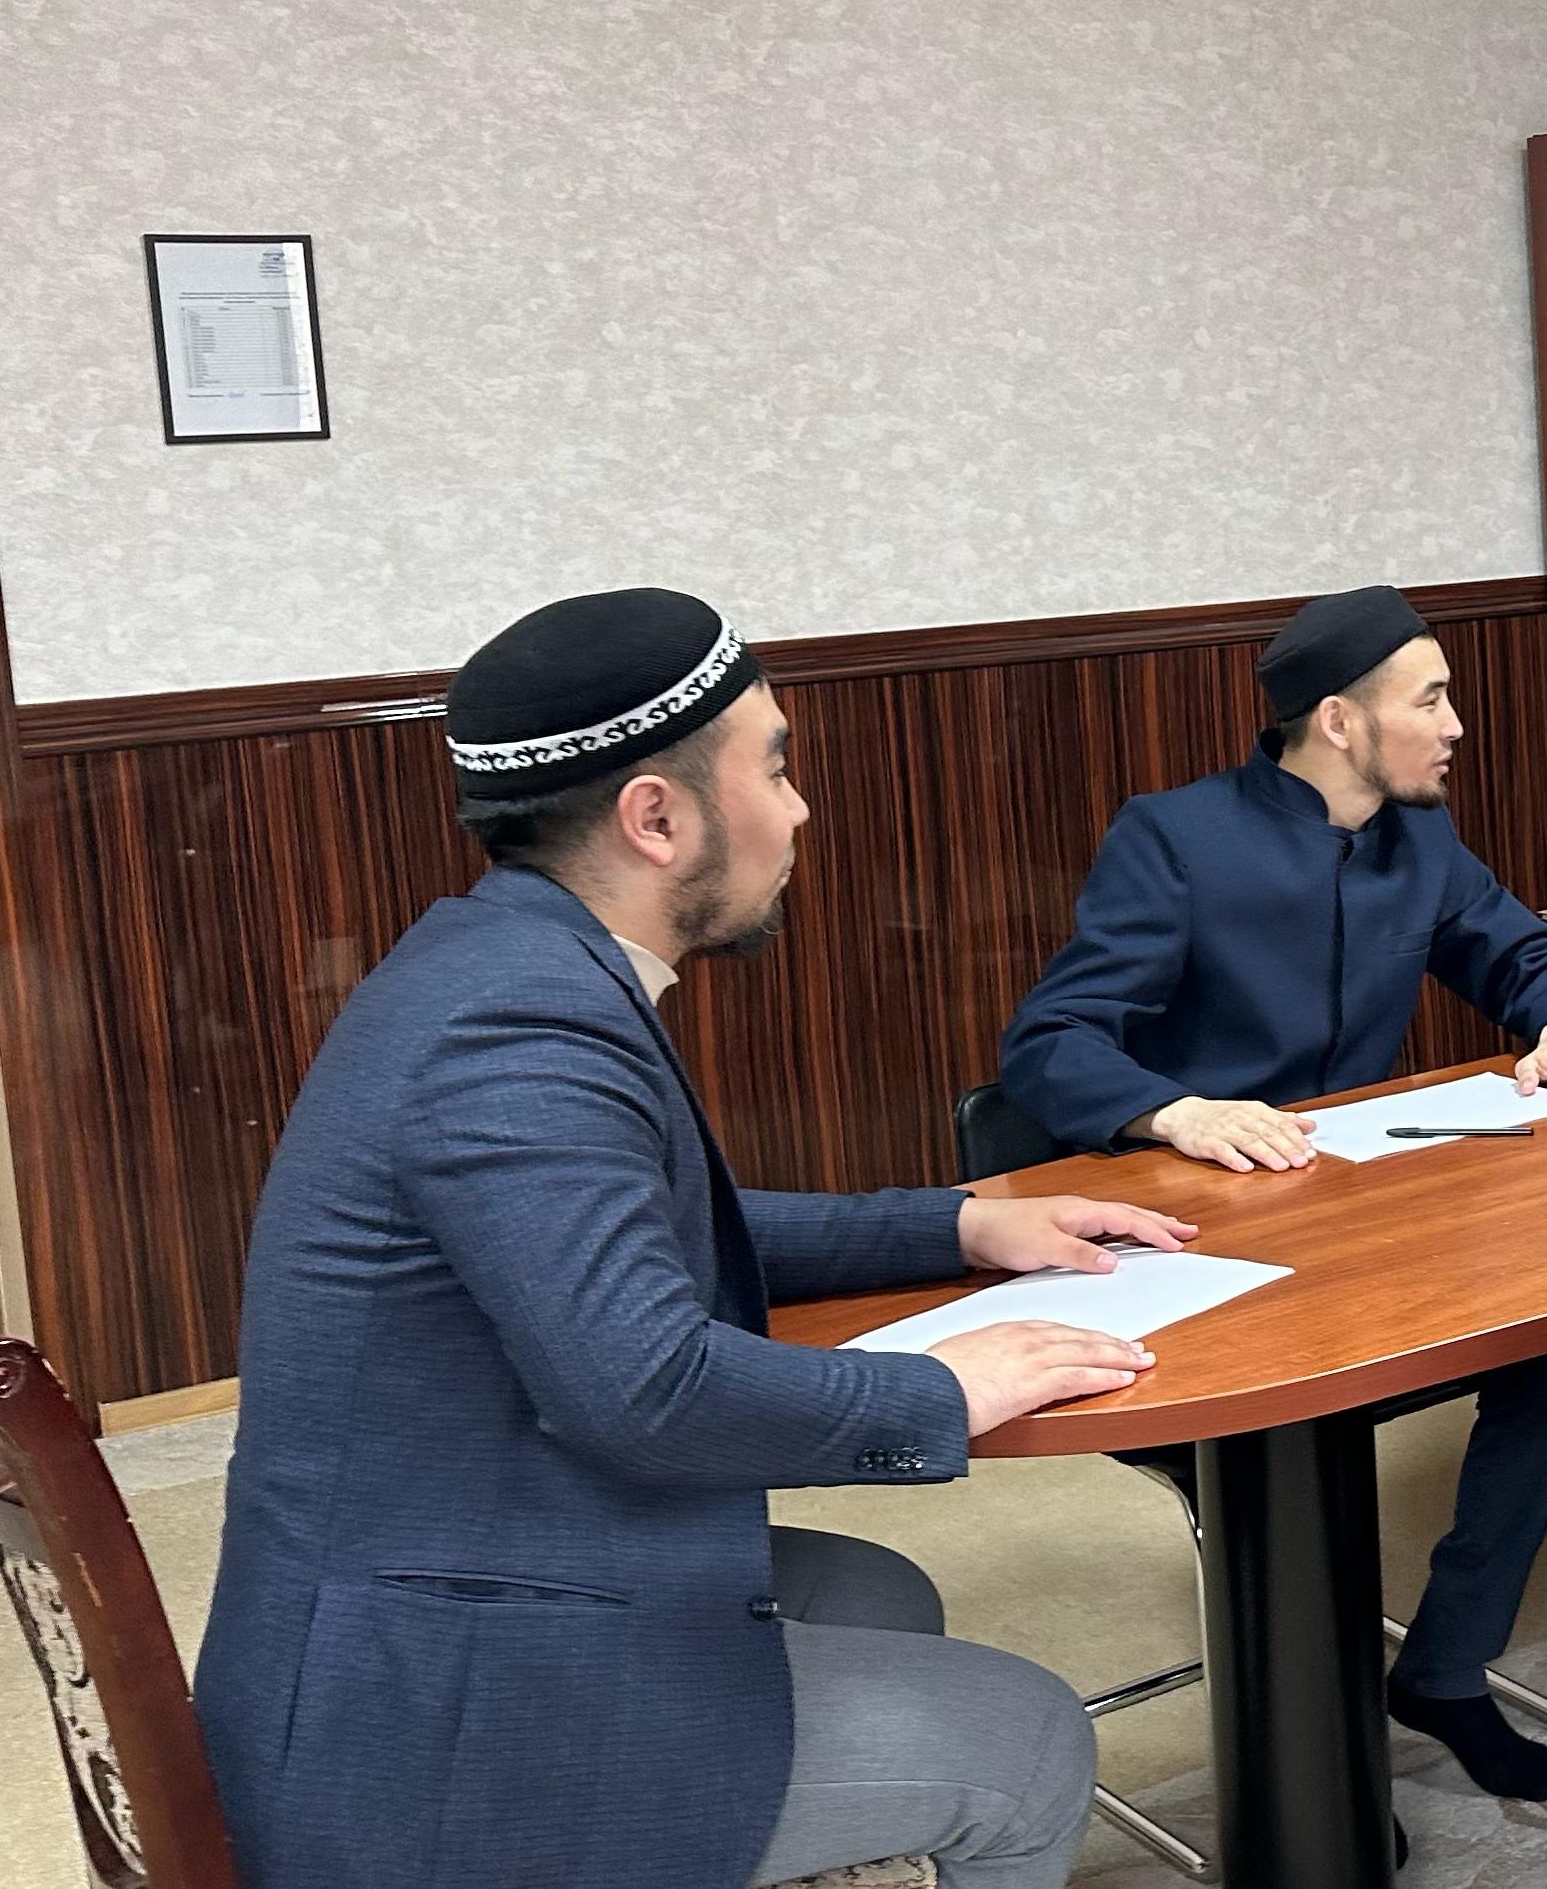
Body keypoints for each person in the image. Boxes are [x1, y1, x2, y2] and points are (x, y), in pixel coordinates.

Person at [197, 589, 1187, 1889]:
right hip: (412, 1704)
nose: (800, 809)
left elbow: (642, 1235)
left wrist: (958, 1222)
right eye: (774, 767)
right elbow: (647, 1392)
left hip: (445, 1563)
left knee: (877, 1600)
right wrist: (938, 1393)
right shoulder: (519, 1028)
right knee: (1032, 1739)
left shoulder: (502, 963)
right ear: (656, 820)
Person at [996, 582, 1547, 1797]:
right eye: (1431, 701)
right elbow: (1050, 1043)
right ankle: (1320, 1765)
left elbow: (1524, 951)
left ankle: (1444, 1666)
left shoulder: (1420, 839)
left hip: (1362, 1224)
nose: (1456, 725)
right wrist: (1179, 1110)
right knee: (1310, 1422)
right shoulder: (1176, 836)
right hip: (1200, 1242)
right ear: (1341, 721)